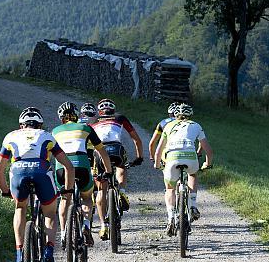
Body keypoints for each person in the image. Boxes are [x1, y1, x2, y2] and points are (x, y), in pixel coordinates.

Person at [0, 107, 75, 262]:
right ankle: (49, 253)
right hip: (41, 172)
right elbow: (68, 166)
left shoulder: (10, 136)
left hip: (18, 172)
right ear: (40, 124)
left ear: (21, 125)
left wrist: (5, 191)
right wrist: (67, 190)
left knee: (20, 208)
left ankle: (19, 252)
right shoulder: (46, 136)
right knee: (50, 214)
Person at [52, 102, 113, 248]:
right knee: (86, 198)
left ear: (61, 118)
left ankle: (63, 232)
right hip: (82, 166)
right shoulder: (86, 128)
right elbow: (102, 151)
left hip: (62, 168)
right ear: (77, 115)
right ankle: (86, 225)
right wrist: (109, 171)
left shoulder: (54, 131)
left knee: (65, 198)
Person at [153, 103, 213, 235]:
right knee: (192, 175)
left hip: (172, 158)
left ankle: (171, 218)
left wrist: (157, 165)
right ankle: (192, 205)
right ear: (190, 114)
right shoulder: (196, 125)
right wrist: (208, 164)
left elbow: (158, 151)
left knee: (170, 189)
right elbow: (208, 150)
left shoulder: (168, 126)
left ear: (175, 115)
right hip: (191, 157)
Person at [91, 98, 144, 241]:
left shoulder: (94, 120)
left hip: (99, 152)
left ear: (100, 111)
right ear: (113, 110)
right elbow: (136, 139)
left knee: (101, 189)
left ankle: (103, 225)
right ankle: (121, 192)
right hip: (116, 148)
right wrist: (139, 157)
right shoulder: (120, 117)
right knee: (122, 166)